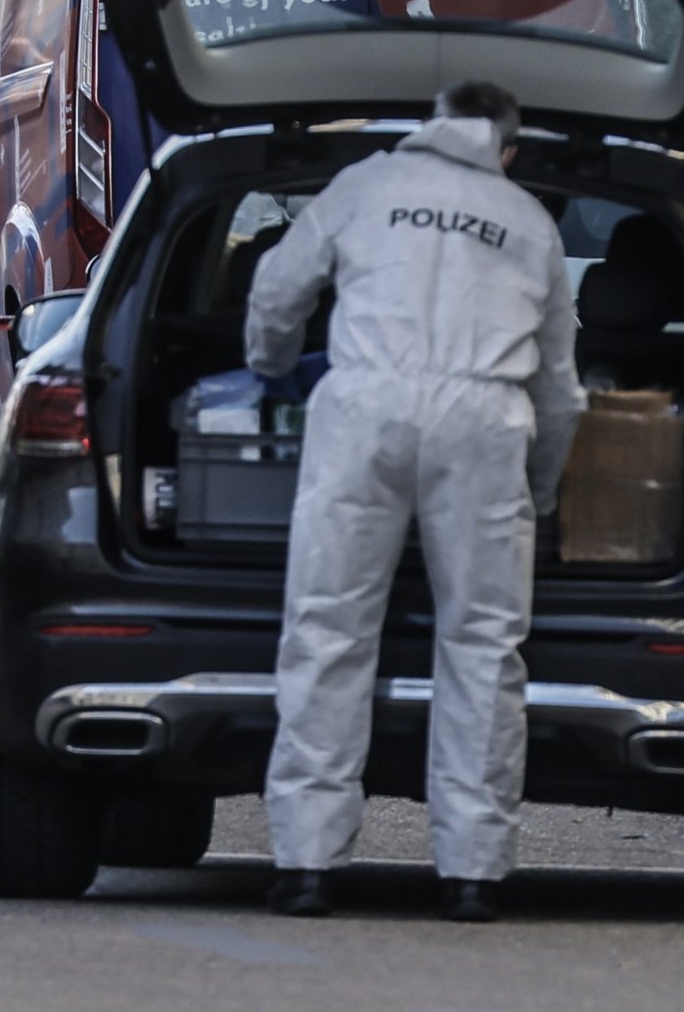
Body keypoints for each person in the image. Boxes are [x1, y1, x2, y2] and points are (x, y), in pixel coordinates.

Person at [243, 81, 586, 924]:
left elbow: (277, 290)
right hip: (484, 421)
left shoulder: (367, 183)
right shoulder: (529, 223)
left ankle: (305, 863)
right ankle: (473, 871)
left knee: (327, 629)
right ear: (510, 145)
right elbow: (562, 391)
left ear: (433, 121)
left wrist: (266, 363)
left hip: (362, 409)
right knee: (481, 645)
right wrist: (537, 493)